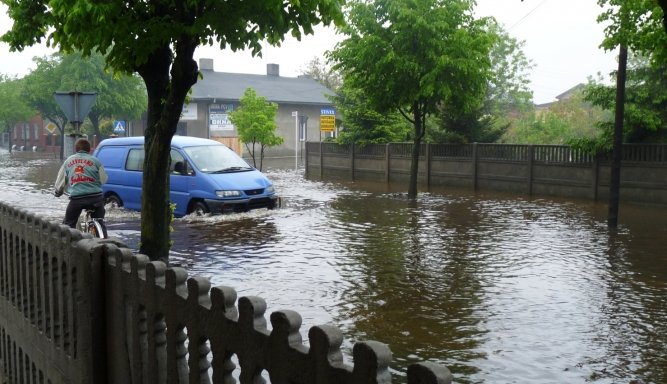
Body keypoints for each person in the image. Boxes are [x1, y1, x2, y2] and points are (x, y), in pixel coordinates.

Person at [54, 138, 108, 228]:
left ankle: (69, 240)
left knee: (68, 225)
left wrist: (58, 192)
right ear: (89, 149)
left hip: (77, 199)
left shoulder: (68, 161)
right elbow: (104, 179)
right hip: (96, 198)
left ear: (76, 149)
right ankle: (102, 236)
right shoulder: (96, 161)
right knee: (100, 222)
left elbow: (60, 182)